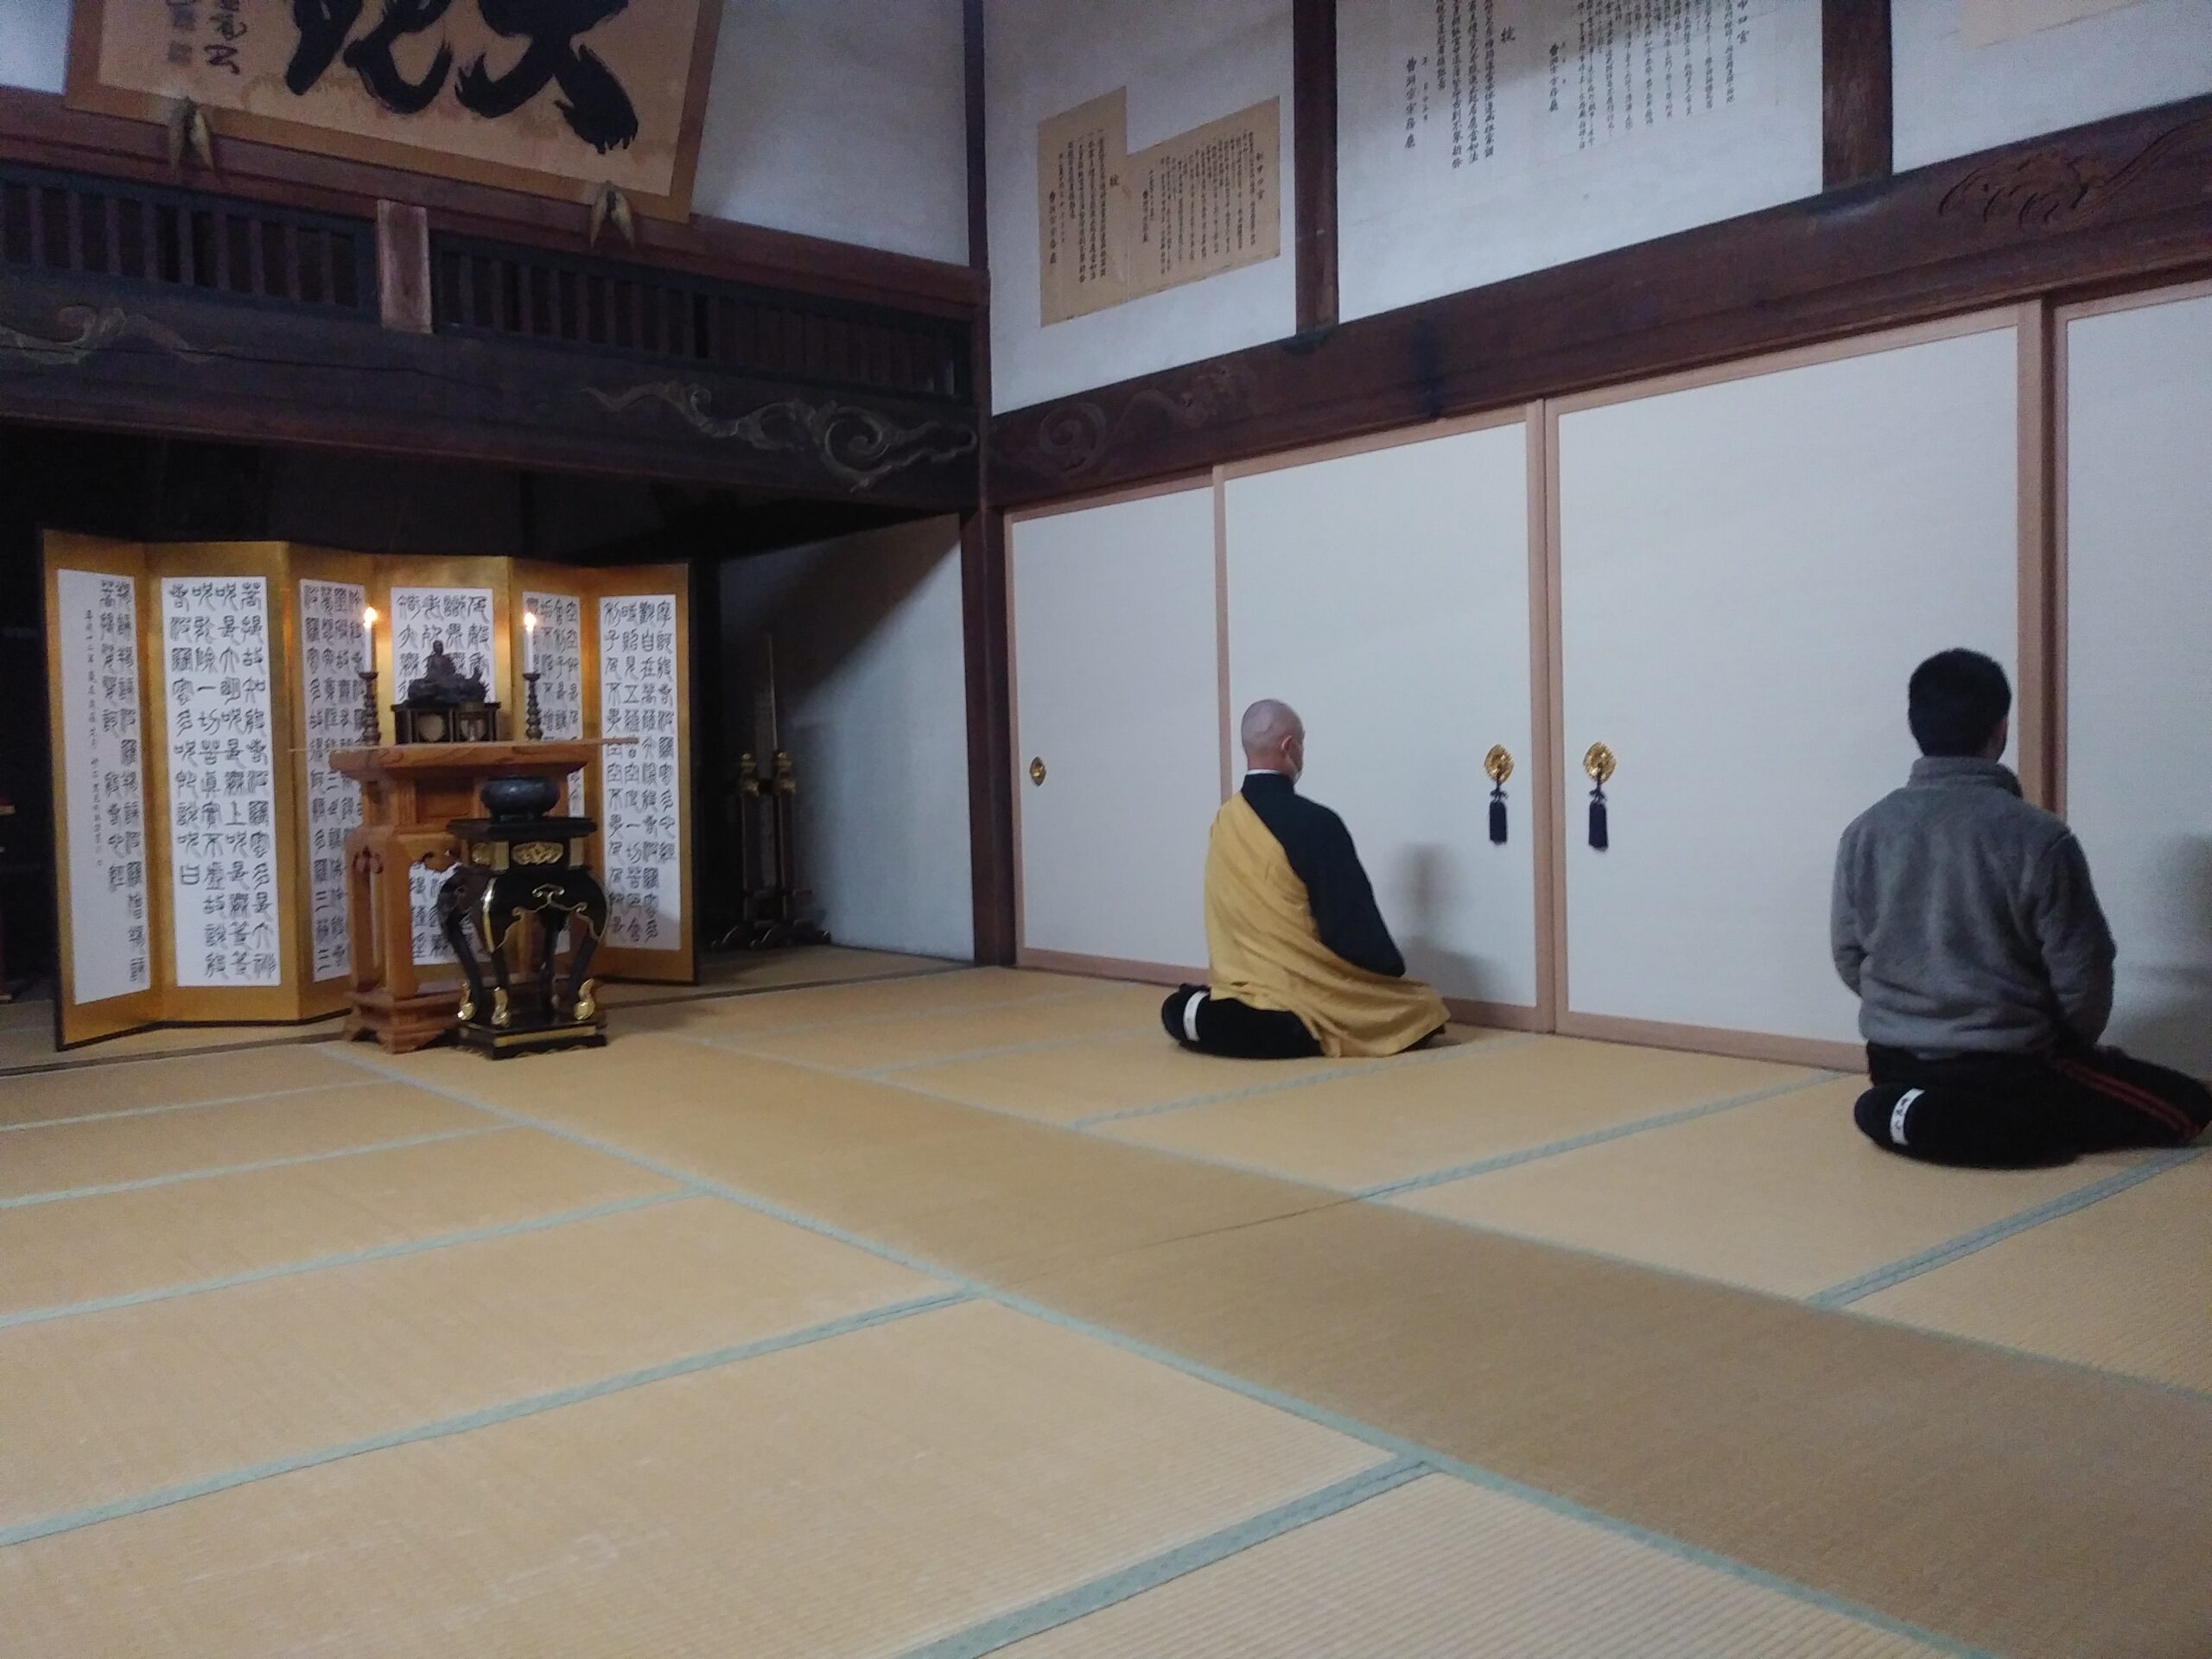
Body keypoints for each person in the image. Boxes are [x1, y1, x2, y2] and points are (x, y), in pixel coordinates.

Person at [1833, 648, 2209, 1166]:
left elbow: (1848, 955)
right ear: (2000, 728)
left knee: (2083, 1085)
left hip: (1893, 1059)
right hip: (2007, 1064)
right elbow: (2085, 972)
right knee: (2189, 1108)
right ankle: (2004, 1125)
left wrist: (1912, 1013)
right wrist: (2073, 1046)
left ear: (1913, 724)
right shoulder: (2038, 837)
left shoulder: (1865, 832)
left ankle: (1908, 1113)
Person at [1162, 700, 1447, 1059]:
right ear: (1289, 746)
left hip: (1237, 984)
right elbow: (1349, 926)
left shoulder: (1225, 820)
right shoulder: (1317, 823)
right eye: (1302, 743)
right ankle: (1271, 1023)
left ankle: (1199, 1015)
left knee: (1179, 1007)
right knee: (1423, 1005)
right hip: (1304, 995)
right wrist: (1388, 969)